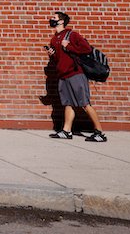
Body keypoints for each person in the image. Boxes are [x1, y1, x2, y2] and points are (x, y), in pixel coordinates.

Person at [45, 11, 107, 142]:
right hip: (63, 75)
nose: (51, 19)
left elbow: (87, 49)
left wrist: (70, 46)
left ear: (61, 21)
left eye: (54, 18)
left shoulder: (72, 35)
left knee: (84, 103)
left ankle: (99, 132)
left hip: (76, 74)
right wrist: (53, 54)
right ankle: (66, 131)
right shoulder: (54, 39)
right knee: (68, 103)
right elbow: (59, 59)